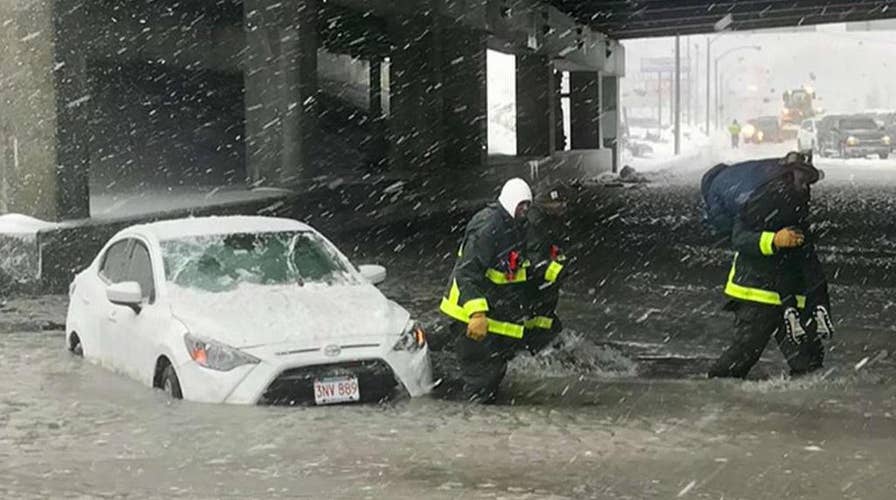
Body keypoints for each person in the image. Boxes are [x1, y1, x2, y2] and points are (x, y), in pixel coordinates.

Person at [705, 152, 833, 379]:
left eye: (807, 180)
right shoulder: (759, 202)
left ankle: (808, 392)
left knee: (806, 356)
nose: (804, 186)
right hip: (758, 292)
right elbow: (741, 239)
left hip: (791, 295)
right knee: (743, 353)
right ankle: (716, 386)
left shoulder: (796, 204)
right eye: (801, 178)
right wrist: (773, 240)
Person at [438, 178, 533, 402]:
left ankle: (483, 421)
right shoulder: (488, 228)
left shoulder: (515, 227)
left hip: (490, 315)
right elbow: (467, 273)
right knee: (481, 379)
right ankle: (476, 427)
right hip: (468, 315)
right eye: (522, 205)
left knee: (492, 372)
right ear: (511, 203)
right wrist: (477, 313)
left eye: (528, 205)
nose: (525, 210)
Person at [523, 181, 572, 355]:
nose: (563, 207)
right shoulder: (536, 225)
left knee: (543, 319)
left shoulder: (549, 221)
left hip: (544, 289)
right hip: (537, 287)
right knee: (539, 320)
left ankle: (543, 345)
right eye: (559, 202)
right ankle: (540, 349)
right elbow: (537, 262)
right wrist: (557, 271)